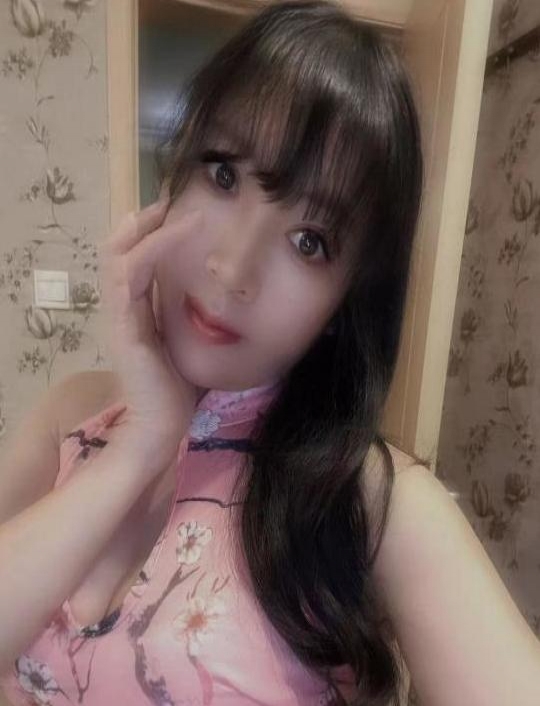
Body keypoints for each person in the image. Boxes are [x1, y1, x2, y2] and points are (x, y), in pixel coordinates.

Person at [0, 1, 539, 704]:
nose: (233, 268)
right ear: (174, 177)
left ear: (347, 300)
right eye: (224, 175)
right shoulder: (70, 413)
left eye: (310, 241)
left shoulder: (375, 500)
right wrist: (142, 443)